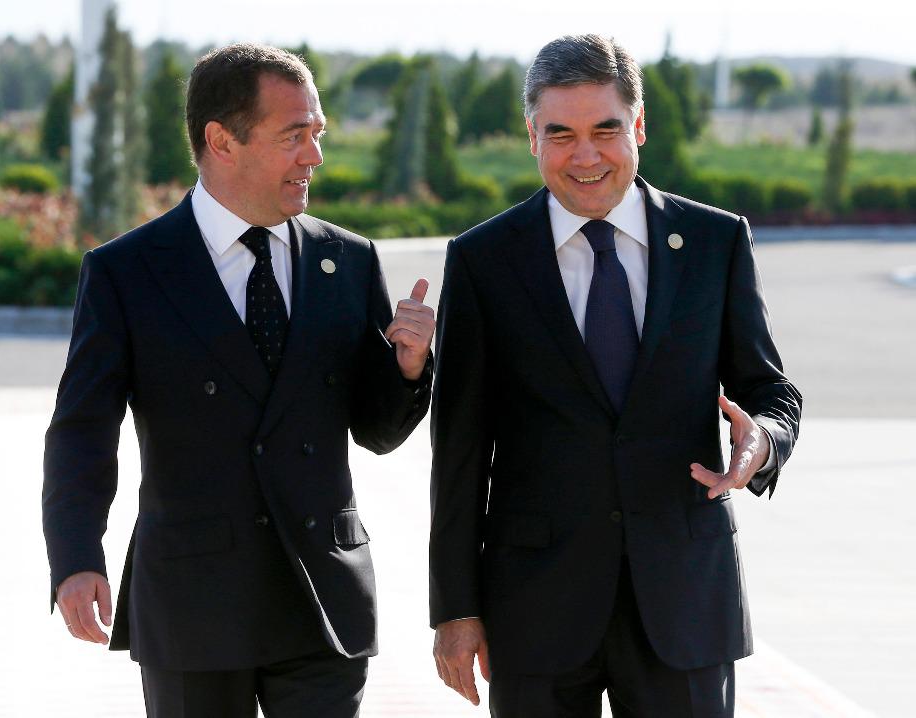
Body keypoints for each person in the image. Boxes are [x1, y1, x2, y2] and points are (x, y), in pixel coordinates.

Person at [43, 43, 435, 718]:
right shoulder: (127, 272)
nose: (314, 155)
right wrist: (77, 558)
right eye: (294, 136)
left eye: (317, 134)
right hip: (192, 602)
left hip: (322, 599)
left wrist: (408, 367)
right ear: (222, 141)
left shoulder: (347, 261)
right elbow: (83, 431)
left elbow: (376, 431)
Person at [428, 34, 801, 717]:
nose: (586, 155)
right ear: (531, 136)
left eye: (606, 130)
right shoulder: (483, 260)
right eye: (560, 134)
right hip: (534, 605)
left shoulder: (714, 242)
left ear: (639, 126)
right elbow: (458, 450)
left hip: (684, 600)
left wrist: (763, 441)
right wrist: (455, 609)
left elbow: (769, 389)